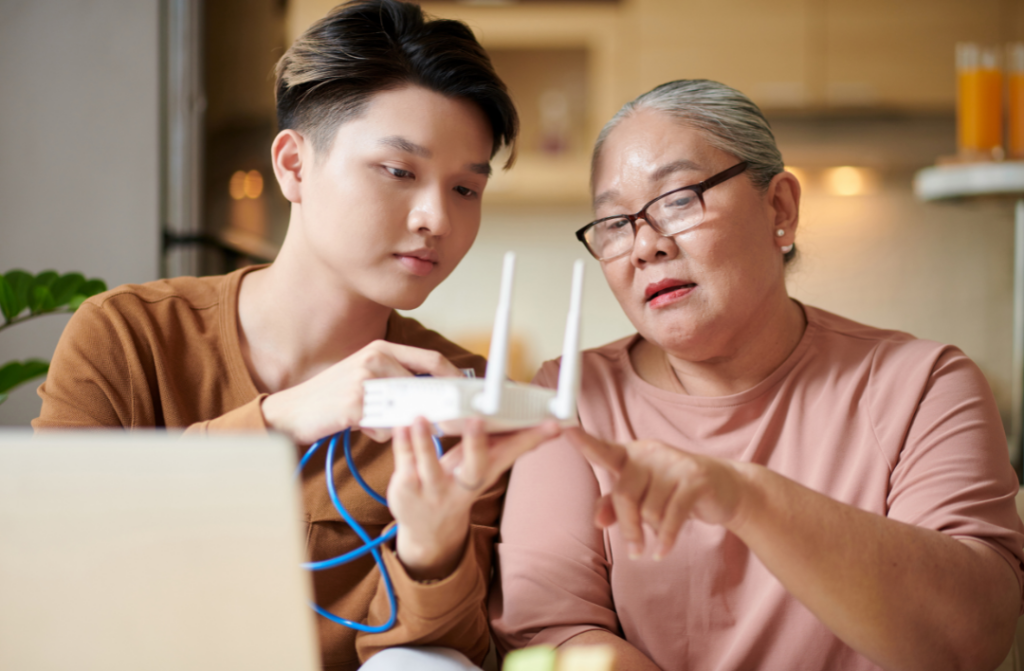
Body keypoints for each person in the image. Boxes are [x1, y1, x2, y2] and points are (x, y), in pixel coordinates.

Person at [34, 1, 560, 669]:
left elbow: (440, 659)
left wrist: (433, 548)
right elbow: (53, 563)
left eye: (465, 189)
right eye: (399, 172)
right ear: (293, 166)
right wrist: (279, 420)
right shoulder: (128, 335)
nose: (436, 217)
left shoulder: (462, 398)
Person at [490, 79, 1024, 671]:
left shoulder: (924, 385)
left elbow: (973, 638)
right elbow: (554, 636)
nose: (643, 246)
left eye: (678, 198)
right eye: (614, 223)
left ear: (780, 209)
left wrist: (748, 498)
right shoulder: (570, 396)